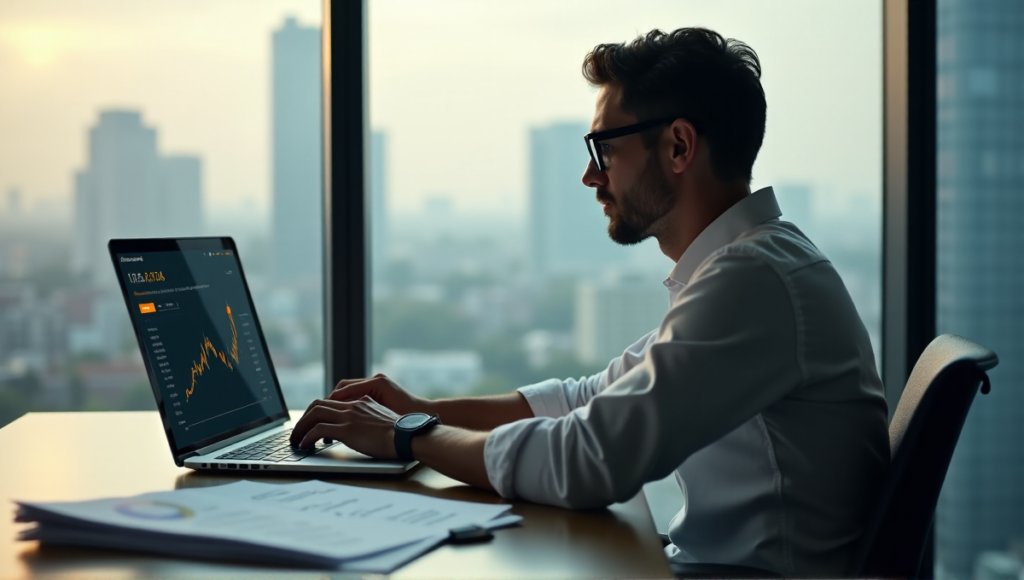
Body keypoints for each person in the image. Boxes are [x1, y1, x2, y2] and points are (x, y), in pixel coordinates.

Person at [290, 27, 889, 577]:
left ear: (679, 146)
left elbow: (588, 459)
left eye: (604, 149)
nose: (589, 175)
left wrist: (406, 434)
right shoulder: (745, 266)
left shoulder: (754, 280)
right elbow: (588, 400)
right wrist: (425, 408)